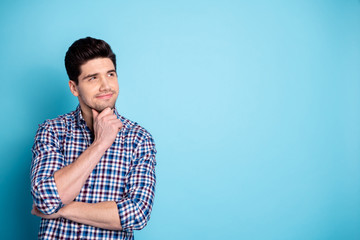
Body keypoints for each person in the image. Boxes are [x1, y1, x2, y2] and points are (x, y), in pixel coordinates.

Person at [30, 37, 157, 239]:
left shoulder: (139, 139)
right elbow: (46, 200)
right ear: (74, 88)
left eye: (110, 74)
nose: (106, 86)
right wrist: (100, 144)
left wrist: (62, 209)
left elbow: (137, 214)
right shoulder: (52, 131)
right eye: (93, 78)